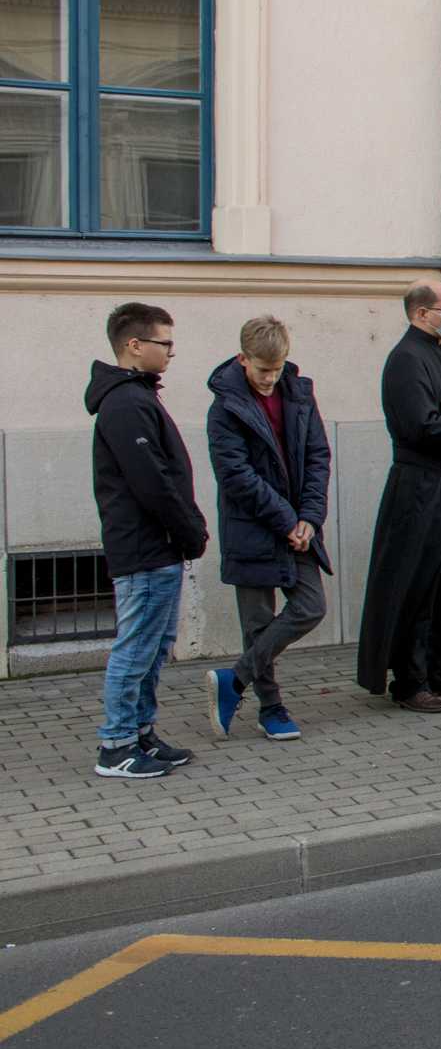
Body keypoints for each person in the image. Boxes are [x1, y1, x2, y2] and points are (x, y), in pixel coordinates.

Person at [356, 279, 441, 713]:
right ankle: (410, 681)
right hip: (419, 485)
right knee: (418, 581)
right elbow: (422, 425)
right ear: (421, 313)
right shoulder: (405, 359)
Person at [86, 304, 209, 779]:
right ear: (135, 345)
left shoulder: (137, 396)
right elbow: (151, 481)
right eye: (165, 343)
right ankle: (116, 747)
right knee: (136, 647)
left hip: (159, 548)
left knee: (155, 648)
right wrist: (189, 529)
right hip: (143, 549)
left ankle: (140, 734)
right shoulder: (125, 403)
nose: (171, 352)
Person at [204, 316, 332, 743]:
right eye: (262, 369)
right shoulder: (225, 407)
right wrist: (286, 520)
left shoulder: (299, 394)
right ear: (243, 359)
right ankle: (271, 708)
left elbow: (317, 456)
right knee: (257, 623)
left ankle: (234, 679)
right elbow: (235, 476)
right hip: (252, 527)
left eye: (277, 369)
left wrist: (310, 518)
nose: (270, 378)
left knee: (311, 606)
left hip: (298, 526)